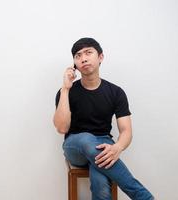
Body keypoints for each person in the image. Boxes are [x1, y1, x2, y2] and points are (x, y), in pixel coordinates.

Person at [53, 38, 154, 200]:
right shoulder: (66, 91)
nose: (83, 58)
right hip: (74, 145)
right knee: (86, 139)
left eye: (88, 53)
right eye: (78, 56)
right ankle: (143, 197)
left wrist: (118, 147)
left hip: (103, 144)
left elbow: (126, 131)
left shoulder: (116, 92)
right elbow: (62, 128)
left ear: (100, 57)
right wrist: (65, 89)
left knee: (100, 183)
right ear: (74, 64)